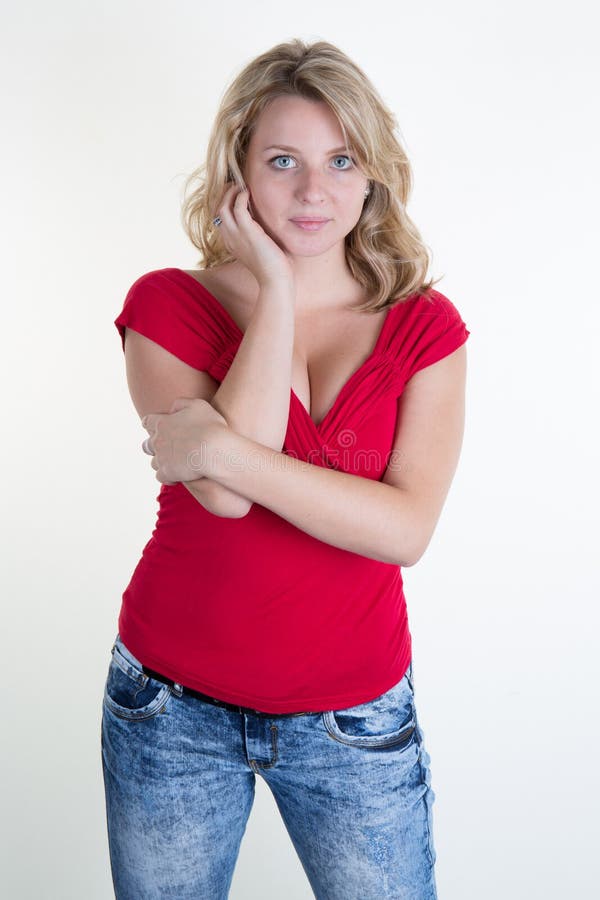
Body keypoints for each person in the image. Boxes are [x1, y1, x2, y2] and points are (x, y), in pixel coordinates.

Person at [101, 38, 470, 900]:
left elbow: (405, 530)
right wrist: (273, 287)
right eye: (283, 161)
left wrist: (221, 445)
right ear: (239, 172)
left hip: (356, 723)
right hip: (171, 711)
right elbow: (224, 501)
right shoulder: (168, 304)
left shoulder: (425, 328)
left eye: (342, 160)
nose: (315, 191)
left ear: (374, 172)